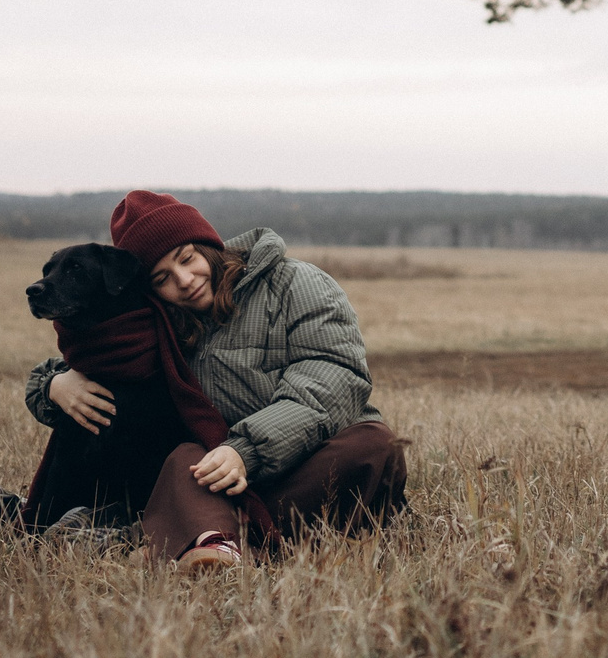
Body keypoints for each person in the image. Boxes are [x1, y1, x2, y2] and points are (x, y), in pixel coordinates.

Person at [23, 191, 406, 572]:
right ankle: (220, 548)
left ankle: (188, 538)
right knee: (184, 458)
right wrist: (55, 385)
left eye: (187, 258)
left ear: (208, 244)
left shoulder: (296, 283)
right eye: (163, 278)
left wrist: (245, 450)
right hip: (224, 481)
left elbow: (331, 382)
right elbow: (106, 359)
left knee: (375, 443)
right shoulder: (165, 323)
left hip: (311, 466)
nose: (185, 280)